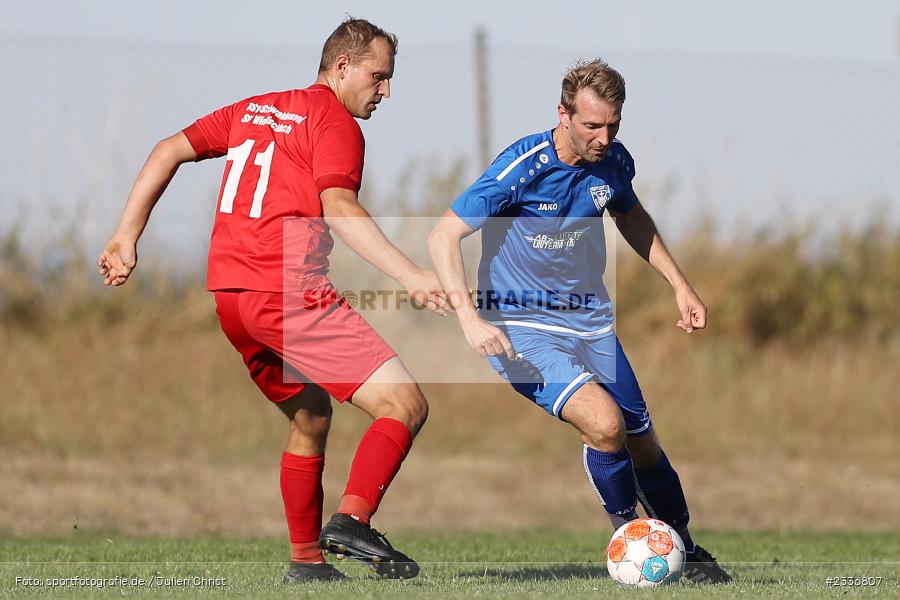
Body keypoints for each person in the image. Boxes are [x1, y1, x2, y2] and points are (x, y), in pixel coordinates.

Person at [98, 18, 446, 582]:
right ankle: (352, 521)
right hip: (288, 293)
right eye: (378, 77)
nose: (385, 91)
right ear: (342, 67)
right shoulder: (334, 122)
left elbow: (168, 149)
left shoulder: (254, 109)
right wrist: (411, 275)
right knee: (404, 405)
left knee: (309, 415)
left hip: (233, 300)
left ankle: (307, 564)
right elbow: (341, 209)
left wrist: (124, 236)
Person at [427, 58, 733, 584]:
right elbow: (442, 236)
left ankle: (683, 544)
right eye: (592, 125)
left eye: (612, 125)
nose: (603, 136)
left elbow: (630, 215)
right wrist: (470, 322)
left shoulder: (613, 163)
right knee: (605, 424)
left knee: (643, 440)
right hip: (519, 329)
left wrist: (679, 285)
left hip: (590, 324)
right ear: (563, 114)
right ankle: (633, 539)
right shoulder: (523, 166)